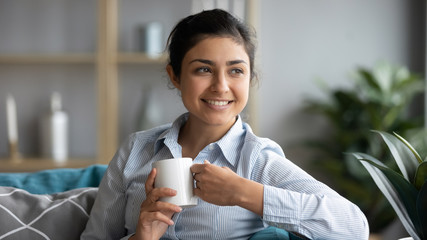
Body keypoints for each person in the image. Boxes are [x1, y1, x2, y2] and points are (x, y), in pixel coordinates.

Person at [81, 9, 369, 240]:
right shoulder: (137, 149)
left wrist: (243, 193)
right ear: (175, 76)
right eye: (203, 69)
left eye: (236, 71)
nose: (221, 86)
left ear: (250, 78)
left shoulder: (258, 160)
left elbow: (354, 227)